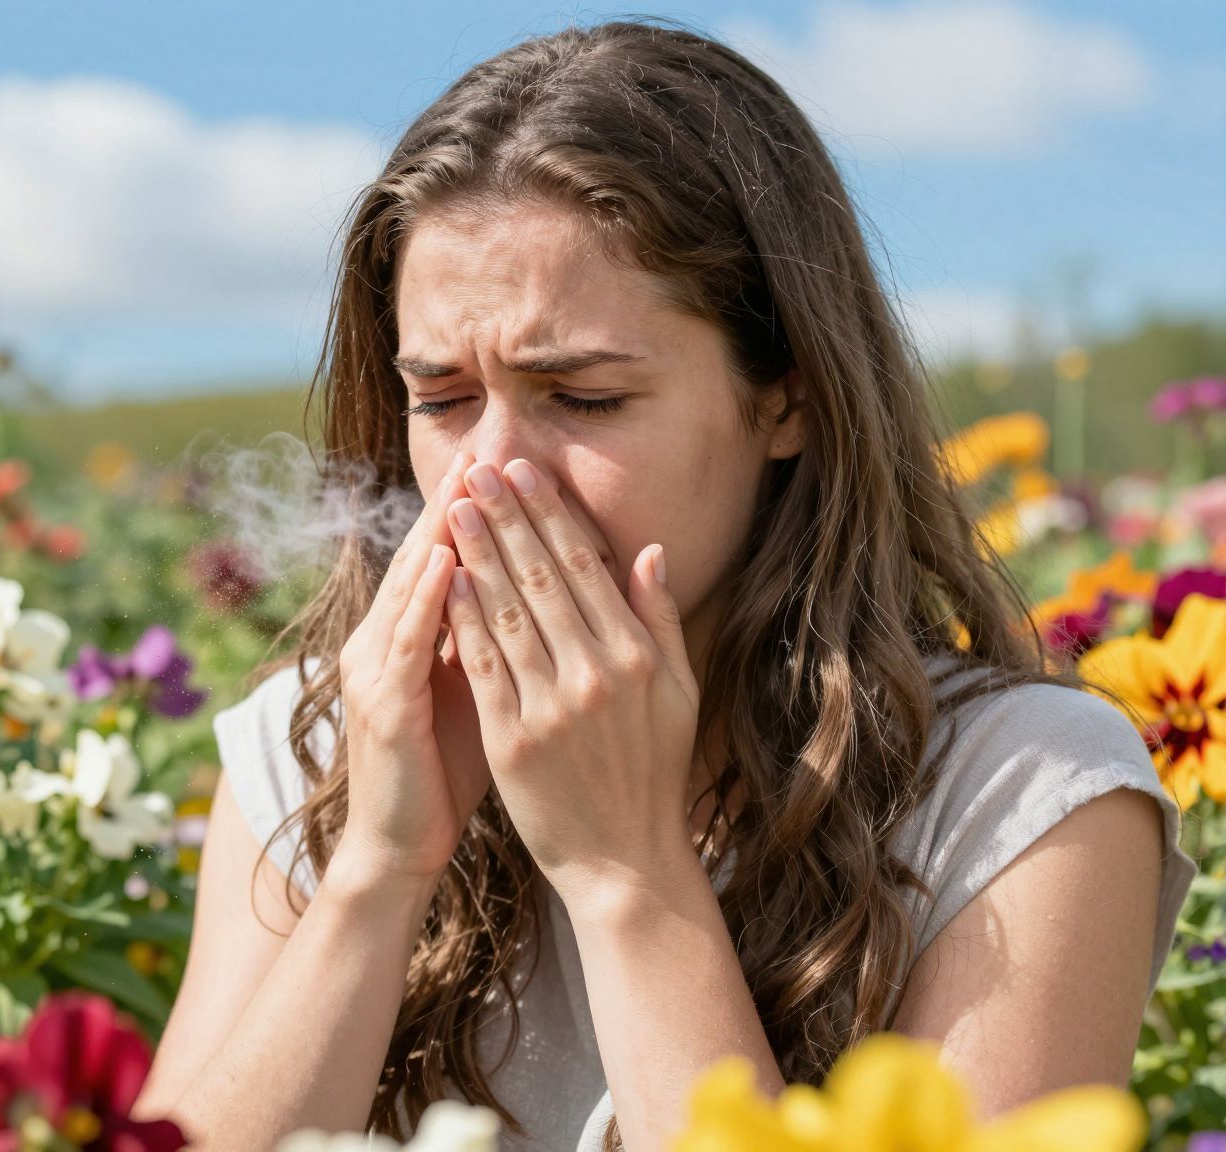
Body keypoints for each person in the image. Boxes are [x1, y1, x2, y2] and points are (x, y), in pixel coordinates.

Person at [132, 18, 1198, 1152]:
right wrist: (378, 870)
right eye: (440, 400)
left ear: (786, 395)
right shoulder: (311, 749)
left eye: (582, 398)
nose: (486, 474)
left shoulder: (1020, 795)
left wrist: (624, 872)